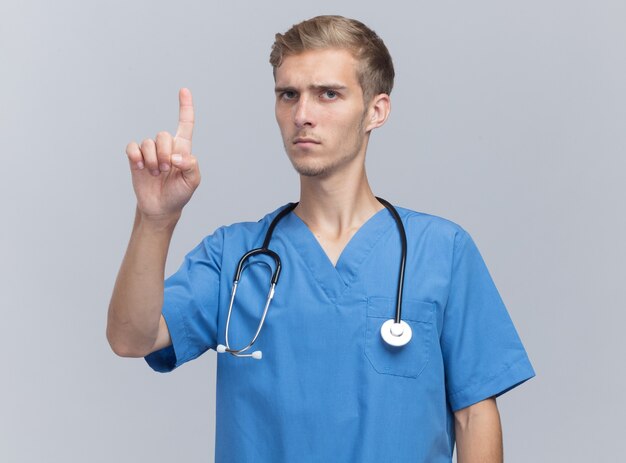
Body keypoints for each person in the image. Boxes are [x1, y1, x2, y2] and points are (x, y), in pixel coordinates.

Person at [107, 15, 535, 463]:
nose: (302, 115)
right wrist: (155, 219)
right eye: (288, 95)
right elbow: (131, 338)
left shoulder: (441, 252)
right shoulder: (236, 257)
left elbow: (473, 414)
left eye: (328, 94)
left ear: (376, 110)